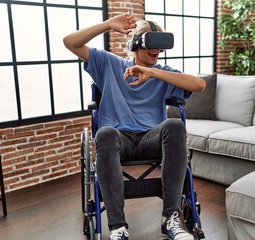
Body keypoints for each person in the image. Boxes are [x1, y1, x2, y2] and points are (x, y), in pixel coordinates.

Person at [64, 12, 206, 240]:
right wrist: (108, 25)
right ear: (136, 44)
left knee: (174, 125)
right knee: (105, 133)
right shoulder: (109, 64)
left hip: (152, 138)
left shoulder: (163, 74)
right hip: (118, 139)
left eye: (161, 46)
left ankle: (170, 219)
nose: (157, 51)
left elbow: (199, 85)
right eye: (152, 44)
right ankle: (118, 227)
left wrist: (152, 73)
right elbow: (70, 42)